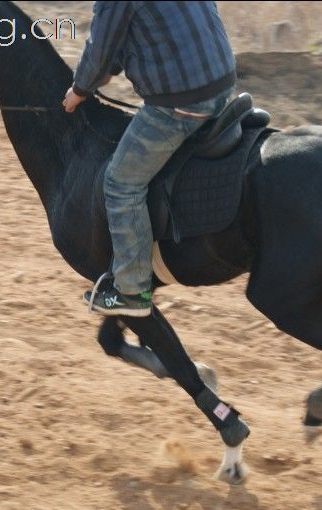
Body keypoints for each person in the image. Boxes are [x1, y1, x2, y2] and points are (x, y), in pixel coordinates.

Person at [63, 1, 237, 317]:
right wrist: (108, 68)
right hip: (222, 82)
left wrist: (79, 89)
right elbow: (147, 28)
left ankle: (131, 291)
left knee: (120, 183)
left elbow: (100, 48)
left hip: (182, 103)